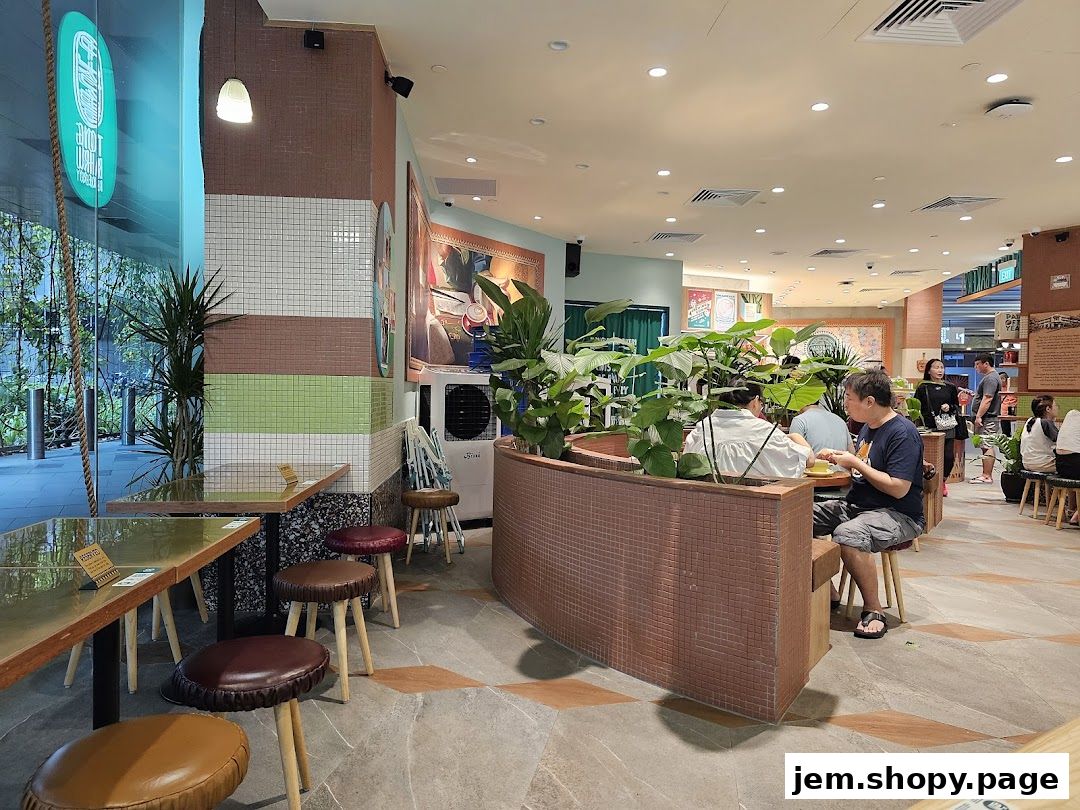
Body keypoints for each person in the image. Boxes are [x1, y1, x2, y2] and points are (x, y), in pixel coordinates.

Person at [813, 371, 925, 640]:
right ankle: (827, 588)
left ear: (870, 401)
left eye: (849, 398)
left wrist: (854, 463)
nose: (846, 403)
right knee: (794, 515)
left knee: (848, 534)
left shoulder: (902, 433)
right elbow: (865, 466)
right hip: (858, 506)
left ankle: (874, 610)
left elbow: (899, 487)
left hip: (899, 514)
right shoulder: (868, 427)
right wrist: (845, 459)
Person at [684, 380, 815, 479]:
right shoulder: (763, 431)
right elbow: (808, 460)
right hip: (755, 508)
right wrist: (795, 436)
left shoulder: (702, 429)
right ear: (755, 401)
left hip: (701, 506)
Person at [914, 358, 969, 495]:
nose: (940, 370)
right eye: (936, 367)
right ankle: (928, 480)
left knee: (949, 456)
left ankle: (943, 481)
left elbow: (956, 406)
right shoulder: (922, 386)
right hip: (928, 426)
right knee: (929, 455)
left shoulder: (950, 387)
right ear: (929, 370)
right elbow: (915, 406)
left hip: (947, 425)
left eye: (942, 367)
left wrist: (948, 407)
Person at [969, 353, 1002, 484]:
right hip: (987, 418)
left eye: (978, 364)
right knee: (984, 446)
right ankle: (985, 474)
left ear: (986, 364)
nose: (976, 368)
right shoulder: (990, 378)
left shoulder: (990, 378)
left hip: (988, 418)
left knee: (987, 445)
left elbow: (987, 398)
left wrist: (978, 416)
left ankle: (987, 475)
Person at [789, 400, 853, 455]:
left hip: (816, 468)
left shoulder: (799, 420)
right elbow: (852, 452)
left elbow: (793, 455)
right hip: (843, 468)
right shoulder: (840, 420)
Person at [1020, 395, 1058, 473]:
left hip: (1026, 463)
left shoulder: (1029, 421)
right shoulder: (1045, 423)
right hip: (1043, 464)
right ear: (1048, 409)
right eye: (1055, 406)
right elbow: (1062, 442)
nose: (1057, 408)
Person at [1055, 409, 1080, 524]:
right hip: (1075, 465)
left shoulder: (1071, 414)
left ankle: (1071, 509)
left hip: (1060, 466)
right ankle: (1077, 514)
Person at [999, 371, 1018, 437]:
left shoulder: (1014, 386)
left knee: (1014, 432)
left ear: (1003, 379)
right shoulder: (999, 388)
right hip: (1003, 414)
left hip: (1013, 412)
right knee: (1005, 433)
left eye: (999, 379)